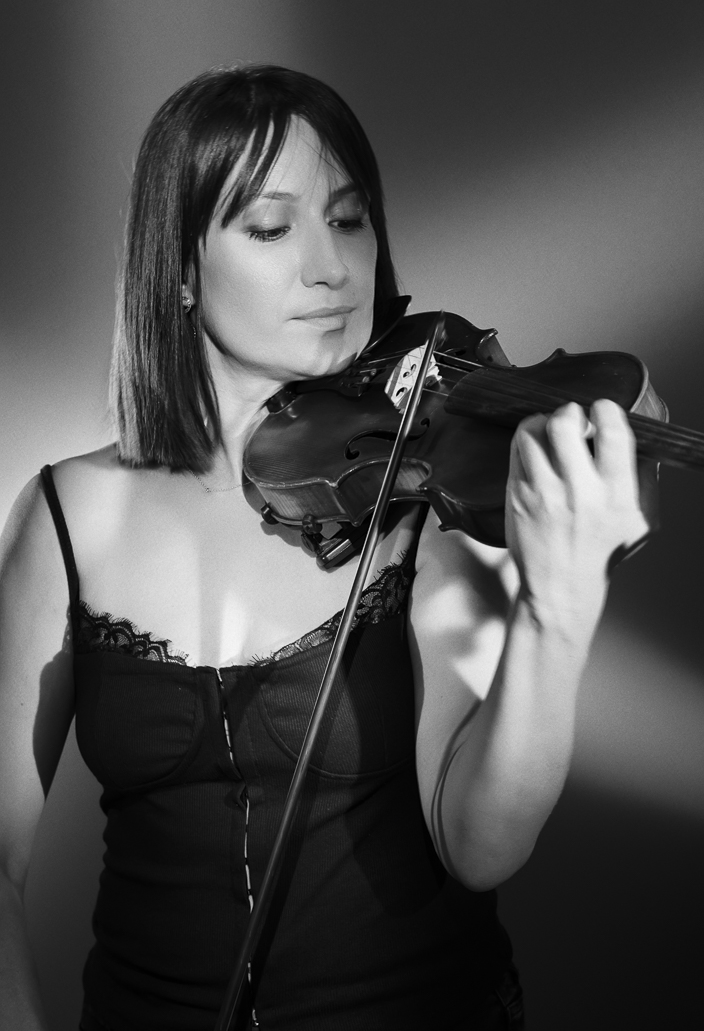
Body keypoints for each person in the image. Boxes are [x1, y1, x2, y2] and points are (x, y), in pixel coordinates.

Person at [0, 65, 655, 1030]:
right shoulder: (69, 515)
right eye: (271, 230)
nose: (332, 268)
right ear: (178, 268)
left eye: (349, 221)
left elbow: (480, 844)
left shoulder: (425, 497)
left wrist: (554, 612)